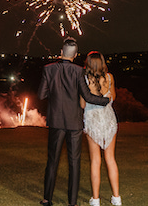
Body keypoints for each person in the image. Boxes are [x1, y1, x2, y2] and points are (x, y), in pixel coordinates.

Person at [38, 38, 111, 206]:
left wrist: (56, 95)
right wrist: (106, 101)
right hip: (74, 123)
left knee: (52, 161)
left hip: (56, 121)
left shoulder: (48, 69)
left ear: (61, 52)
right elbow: (87, 97)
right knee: (74, 163)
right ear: (75, 55)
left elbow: (42, 95)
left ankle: (47, 199)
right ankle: (72, 203)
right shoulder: (79, 71)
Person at [80, 52, 121, 206]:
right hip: (109, 120)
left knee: (95, 161)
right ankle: (116, 197)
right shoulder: (110, 78)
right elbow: (113, 97)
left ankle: (96, 199)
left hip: (93, 121)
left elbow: (83, 104)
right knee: (110, 159)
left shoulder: (84, 80)